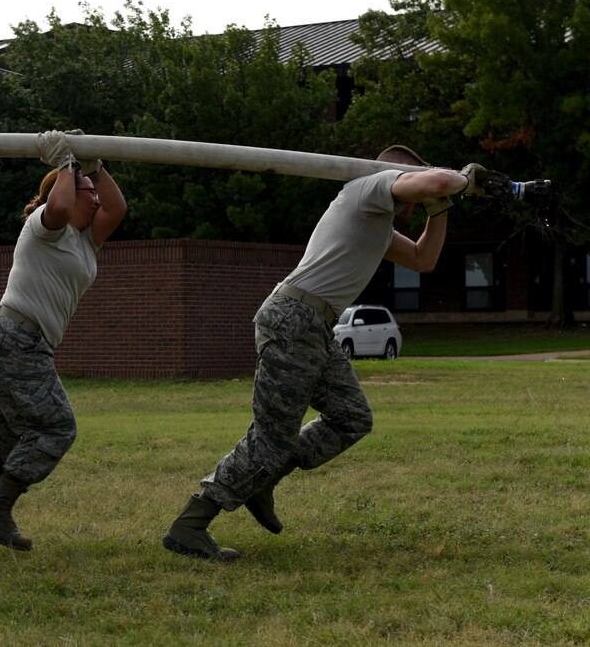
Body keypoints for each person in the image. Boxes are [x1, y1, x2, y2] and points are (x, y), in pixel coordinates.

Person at [162, 146, 503, 562]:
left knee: (351, 417)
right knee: (273, 436)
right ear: (394, 171)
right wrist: (457, 178)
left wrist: (440, 208)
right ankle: (191, 524)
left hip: (315, 326)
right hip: (293, 317)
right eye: (411, 176)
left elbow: (423, 259)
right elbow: (436, 181)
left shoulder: (377, 224)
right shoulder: (367, 187)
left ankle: (263, 480)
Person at [0, 130, 127, 553]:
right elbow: (62, 202)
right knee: (56, 426)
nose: (95, 198)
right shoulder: (45, 225)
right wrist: (66, 164)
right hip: (12, 340)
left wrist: (93, 167)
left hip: (22, 345)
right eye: (88, 191)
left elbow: (117, 207)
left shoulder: (86, 241)